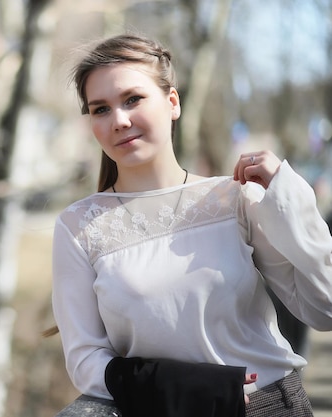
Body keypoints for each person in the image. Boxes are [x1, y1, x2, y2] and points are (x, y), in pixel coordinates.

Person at [51, 32, 332, 417]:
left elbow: (324, 309)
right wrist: (189, 388)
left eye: (133, 99)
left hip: (269, 408)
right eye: (100, 109)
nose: (119, 120)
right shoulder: (79, 226)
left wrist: (289, 199)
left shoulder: (235, 198)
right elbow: (85, 361)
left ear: (172, 102)